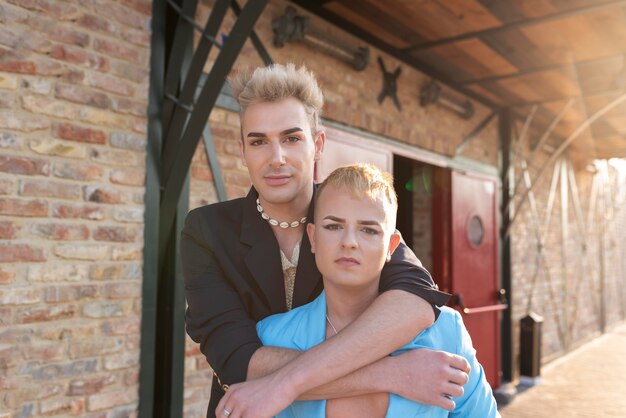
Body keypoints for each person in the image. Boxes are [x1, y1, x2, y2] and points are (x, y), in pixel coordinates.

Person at [181, 64, 469, 418]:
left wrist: (285, 381)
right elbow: (239, 361)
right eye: (259, 141)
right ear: (242, 151)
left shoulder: (350, 212)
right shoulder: (206, 229)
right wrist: (393, 373)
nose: (277, 158)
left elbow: (416, 300)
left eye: (292, 138)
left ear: (317, 143)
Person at [253, 163, 500, 417]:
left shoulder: (447, 333)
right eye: (334, 226)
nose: (349, 242)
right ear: (313, 239)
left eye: (368, 230)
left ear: (392, 246)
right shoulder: (273, 335)